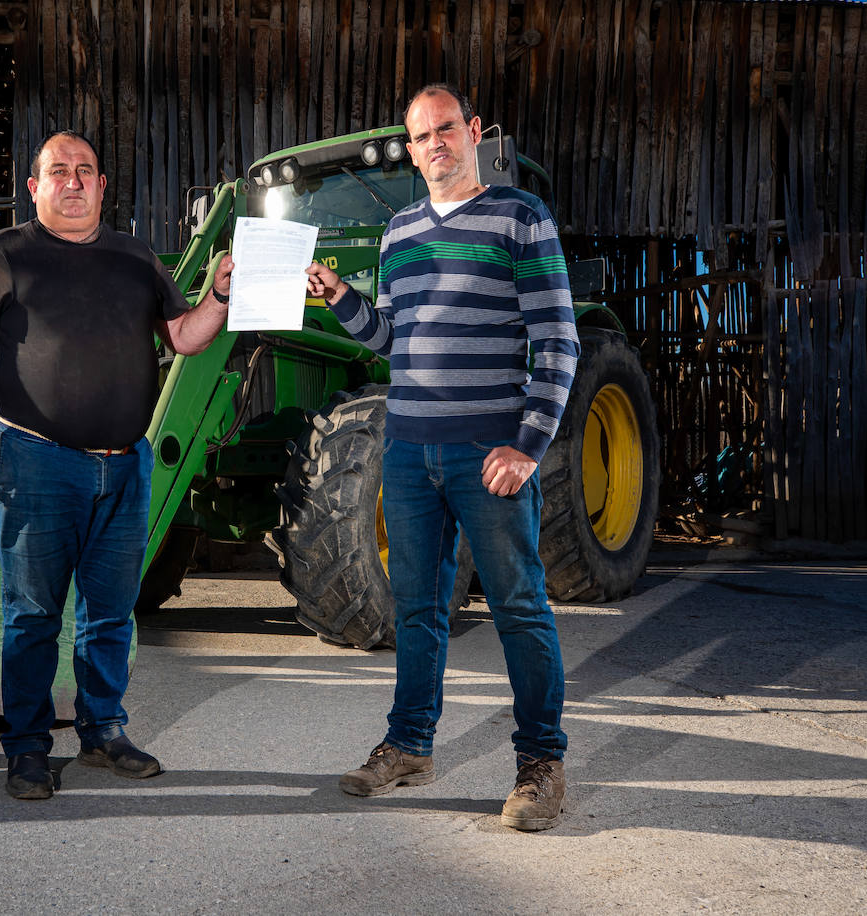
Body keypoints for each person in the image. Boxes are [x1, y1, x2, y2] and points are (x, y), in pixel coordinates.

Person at [305, 84, 579, 831]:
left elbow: (559, 342)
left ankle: (541, 765)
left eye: (446, 129)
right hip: (410, 450)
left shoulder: (520, 219)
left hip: (485, 453)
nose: (435, 144)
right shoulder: (398, 233)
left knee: (519, 605)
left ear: (475, 131)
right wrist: (340, 299)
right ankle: (410, 745)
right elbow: (396, 338)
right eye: (421, 136)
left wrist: (527, 446)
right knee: (418, 608)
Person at [0, 130, 233, 800]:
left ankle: (102, 731)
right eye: (58, 172)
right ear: (35, 187)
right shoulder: (3, 255)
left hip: (126, 467)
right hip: (37, 464)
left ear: (102, 186)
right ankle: (28, 749)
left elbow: (184, 336)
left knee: (111, 613)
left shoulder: (136, 258)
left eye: (86, 171)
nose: (73, 182)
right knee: (34, 612)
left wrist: (218, 294)